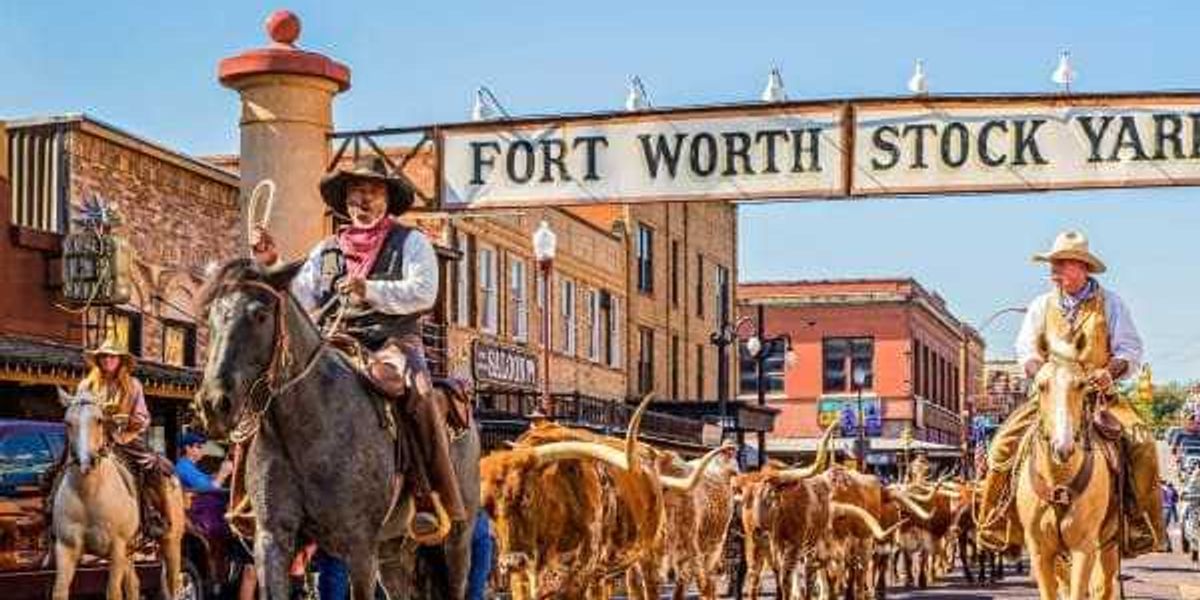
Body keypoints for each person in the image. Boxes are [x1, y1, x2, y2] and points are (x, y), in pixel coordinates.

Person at [251, 155, 465, 540]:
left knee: (417, 392)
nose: (363, 201)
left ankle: (429, 496)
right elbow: (299, 300)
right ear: (345, 202)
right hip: (335, 342)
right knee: (269, 388)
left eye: (372, 192)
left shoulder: (411, 242)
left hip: (393, 341)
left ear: (386, 198)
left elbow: (424, 293)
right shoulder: (326, 250)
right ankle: (252, 497)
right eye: (355, 193)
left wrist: (371, 289)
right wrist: (271, 262)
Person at [976, 230, 1164, 557]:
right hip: (1049, 399)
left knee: (1142, 442)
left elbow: (1130, 349)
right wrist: (1042, 373)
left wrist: (1110, 371)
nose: (1054, 271)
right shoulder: (1041, 305)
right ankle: (997, 523)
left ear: (1082, 268)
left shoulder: (1111, 303)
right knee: (1001, 446)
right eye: (1053, 264)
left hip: (1099, 397)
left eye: (1061, 264)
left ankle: (1139, 524)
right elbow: (1025, 350)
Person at [70, 334, 177, 538]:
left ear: (120, 360)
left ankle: (160, 515)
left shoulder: (133, 385)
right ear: (99, 360)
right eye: (104, 356)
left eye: (113, 357)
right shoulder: (86, 386)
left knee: (152, 466)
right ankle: (52, 516)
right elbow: (78, 411)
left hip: (124, 439)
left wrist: (128, 421)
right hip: (92, 438)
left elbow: (143, 416)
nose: (108, 360)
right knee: (57, 467)